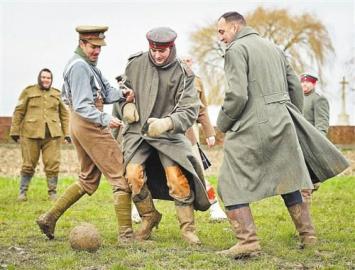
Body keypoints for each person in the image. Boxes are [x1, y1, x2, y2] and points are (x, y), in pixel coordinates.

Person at [215, 12, 348, 258]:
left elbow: (237, 96)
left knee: (228, 182)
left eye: (222, 31)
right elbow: (295, 87)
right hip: (282, 120)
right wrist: (289, 115)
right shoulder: (274, 48)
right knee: (289, 178)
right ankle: (308, 236)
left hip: (250, 125)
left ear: (234, 27)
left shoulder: (236, 50)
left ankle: (247, 241)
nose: (220, 37)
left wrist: (222, 124)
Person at [36, 25, 135, 243]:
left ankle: (49, 217)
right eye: (93, 46)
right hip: (89, 123)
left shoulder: (89, 65)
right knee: (120, 175)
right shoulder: (80, 66)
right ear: (82, 43)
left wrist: (122, 94)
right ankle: (127, 236)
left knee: (88, 179)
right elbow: (81, 105)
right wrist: (105, 119)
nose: (97, 51)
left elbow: (105, 92)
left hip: (81, 124)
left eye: (100, 47)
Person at [121, 27, 210, 245]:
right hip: (139, 133)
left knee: (176, 177)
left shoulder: (184, 74)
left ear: (171, 47)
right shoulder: (135, 64)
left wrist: (167, 123)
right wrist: (126, 105)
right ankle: (149, 217)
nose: (158, 55)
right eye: (154, 50)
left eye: (162, 51)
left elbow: (190, 110)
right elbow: (124, 88)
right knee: (132, 175)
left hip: (169, 135)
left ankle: (188, 229)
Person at [10, 68, 70, 201]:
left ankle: (52, 193)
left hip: (52, 136)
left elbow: (64, 115)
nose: (46, 80)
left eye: (48, 78)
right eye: (43, 77)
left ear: (51, 80)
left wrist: (67, 134)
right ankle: (22, 192)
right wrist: (14, 131)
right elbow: (19, 111)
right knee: (28, 164)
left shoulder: (56, 94)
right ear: (39, 78)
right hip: (30, 134)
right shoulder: (28, 91)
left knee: (53, 163)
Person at [182, 56, 227, 221]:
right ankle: (138, 212)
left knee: (199, 173)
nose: (187, 63)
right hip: (164, 134)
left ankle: (215, 207)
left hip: (189, 133)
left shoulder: (197, 81)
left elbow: (202, 109)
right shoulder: (167, 78)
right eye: (183, 61)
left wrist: (209, 132)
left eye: (189, 60)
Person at [300, 73, 330, 203]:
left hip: (310, 143)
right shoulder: (298, 98)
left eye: (308, 82)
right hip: (297, 142)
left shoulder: (319, 99)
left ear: (314, 84)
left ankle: (306, 198)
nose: (304, 84)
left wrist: (318, 143)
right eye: (302, 82)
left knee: (307, 176)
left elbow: (322, 124)